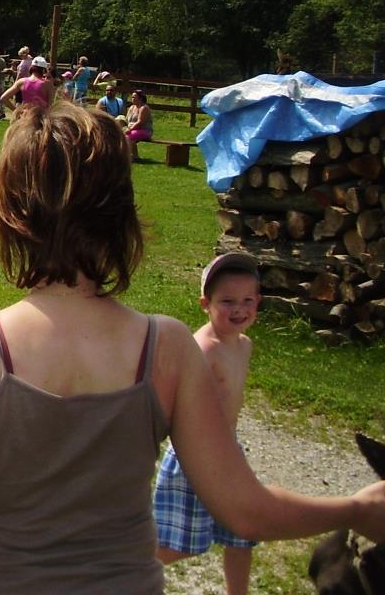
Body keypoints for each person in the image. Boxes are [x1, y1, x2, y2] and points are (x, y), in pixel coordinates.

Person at [0, 104, 385, 594]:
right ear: (121, 215)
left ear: (12, 212)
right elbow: (243, 509)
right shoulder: (167, 346)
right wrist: (354, 510)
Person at [155, 253, 263, 595]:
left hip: (229, 451)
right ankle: (119, 574)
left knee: (243, 531)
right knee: (179, 543)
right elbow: (174, 400)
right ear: (206, 304)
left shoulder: (243, 345)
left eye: (247, 301)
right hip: (196, 456)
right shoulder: (203, 349)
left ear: (258, 301)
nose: (239, 309)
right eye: (227, 301)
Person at [125, 88, 154, 161]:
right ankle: (135, 156)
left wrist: (130, 129)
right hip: (133, 130)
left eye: (134, 97)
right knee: (122, 135)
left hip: (145, 130)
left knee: (128, 136)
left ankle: (129, 157)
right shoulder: (132, 107)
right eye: (132, 97)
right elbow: (126, 120)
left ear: (140, 98)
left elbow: (140, 123)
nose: (132, 99)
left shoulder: (144, 108)